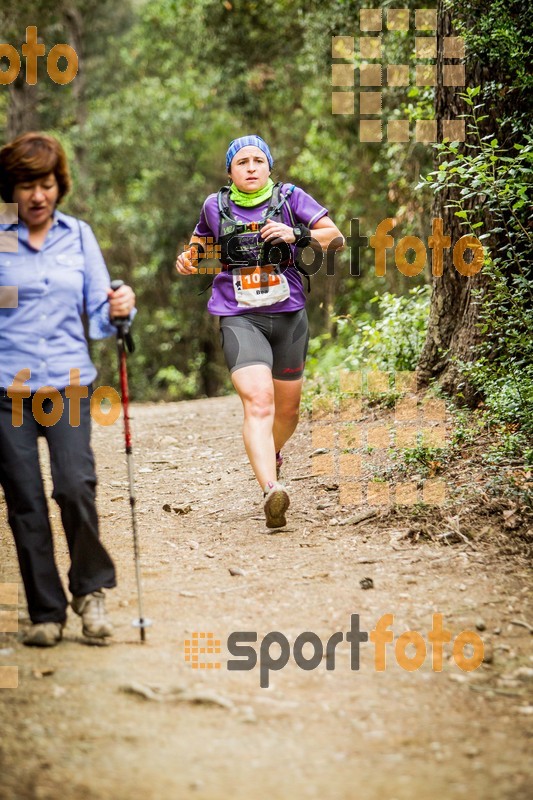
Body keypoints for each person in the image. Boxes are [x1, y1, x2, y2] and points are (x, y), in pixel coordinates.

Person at [0, 132, 136, 647]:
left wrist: (122, 308)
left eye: (47, 184)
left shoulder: (77, 237)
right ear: (11, 189)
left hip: (66, 384)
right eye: (27, 184)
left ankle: (91, 591)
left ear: (60, 186)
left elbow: (102, 316)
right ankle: (46, 612)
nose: (37, 195)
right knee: (25, 500)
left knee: (74, 486)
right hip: (6, 388)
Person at [176, 135, 343, 528]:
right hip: (239, 316)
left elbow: (335, 237)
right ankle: (271, 488)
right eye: (242, 162)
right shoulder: (214, 206)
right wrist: (189, 260)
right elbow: (198, 247)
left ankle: (271, 453)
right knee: (260, 402)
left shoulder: (290, 198)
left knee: (287, 412)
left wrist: (295, 234)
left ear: (269, 166)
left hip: (289, 316)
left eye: (258, 161)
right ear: (230, 171)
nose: (251, 167)